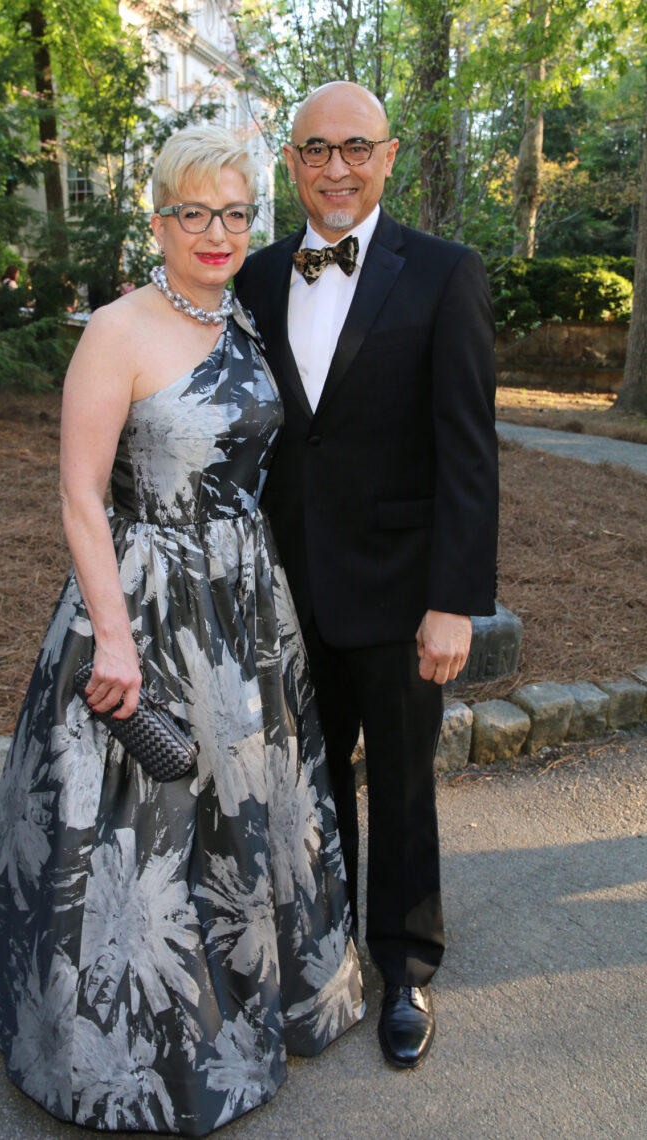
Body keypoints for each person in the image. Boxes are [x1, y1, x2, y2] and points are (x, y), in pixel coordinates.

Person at [0, 125, 364, 1135]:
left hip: (240, 603)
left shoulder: (245, 323)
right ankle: (128, 1050)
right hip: (140, 597)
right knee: (144, 818)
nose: (216, 232)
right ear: (159, 220)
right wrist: (113, 635)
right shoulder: (118, 331)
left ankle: (253, 996)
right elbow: (80, 497)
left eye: (233, 212)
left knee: (239, 804)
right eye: (193, 212)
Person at [235, 82, 499, 1071]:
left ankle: (405, 964)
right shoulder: (257, 277)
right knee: (306, 786)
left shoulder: (443, 273)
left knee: (399, 784)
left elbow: (468, 451)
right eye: (315, 149)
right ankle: (324, 948)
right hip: (283, 589)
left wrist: (452, 603)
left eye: (355, 147)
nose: (336, 168)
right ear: (292, 161)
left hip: (400, 593)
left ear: (388, 156)